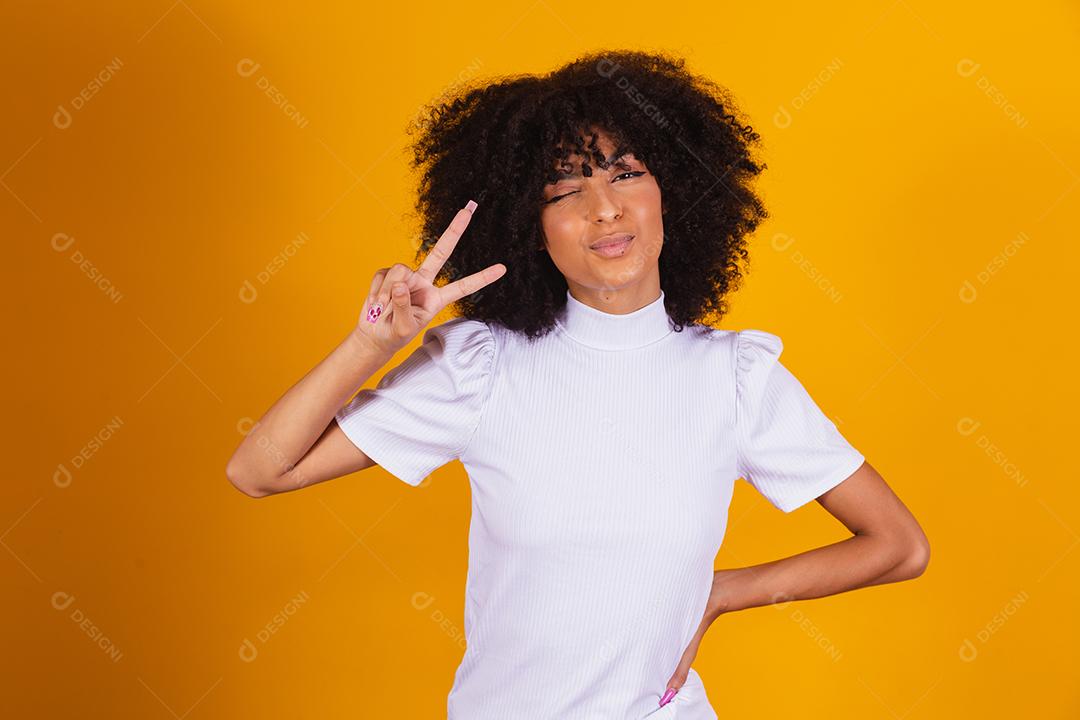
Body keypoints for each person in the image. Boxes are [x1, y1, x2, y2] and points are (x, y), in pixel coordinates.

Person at [226, 49, 930, 720]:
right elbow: (260, 471)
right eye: (566, 189)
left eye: (626, 174)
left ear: (671, 191)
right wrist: (371, 345)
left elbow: (899, 545)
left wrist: (719, 593)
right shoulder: (480, 366)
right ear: (530, 227)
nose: (605, 208)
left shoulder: (736, 376)